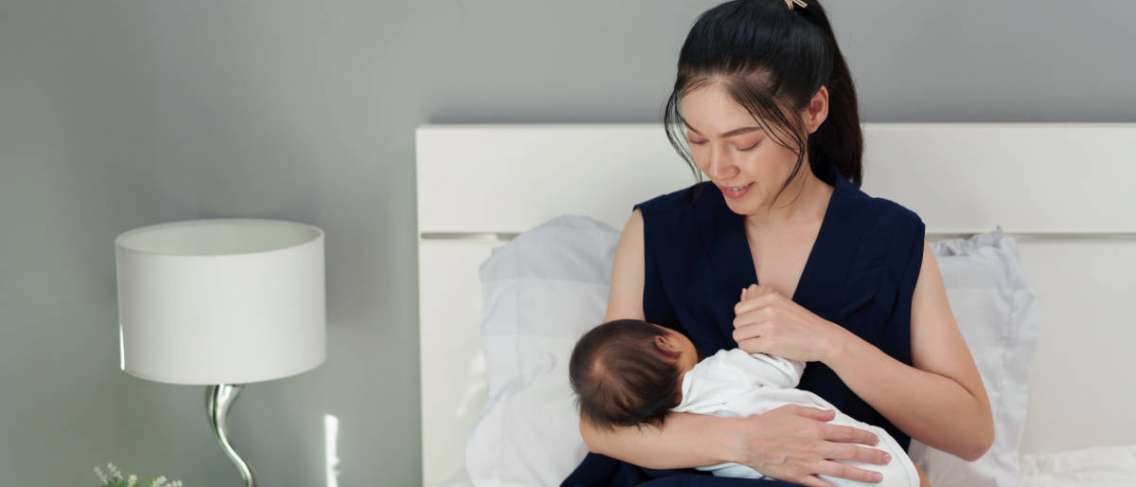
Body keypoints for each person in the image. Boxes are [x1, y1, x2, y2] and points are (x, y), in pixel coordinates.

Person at [561, 1, 994, 486]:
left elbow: (971, 433)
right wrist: (747, 443)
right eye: (697, 139)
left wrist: (826, 342)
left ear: (814, 110)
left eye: (745, 142)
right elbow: (599, 426)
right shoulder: (656, 230)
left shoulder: (889, 239)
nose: (717, 166)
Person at [567, 315, 922, 487]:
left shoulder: (675, 436)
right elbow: (785, 365)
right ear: (666, 342)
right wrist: (769, 333)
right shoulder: (722, 371)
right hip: (858, 456)